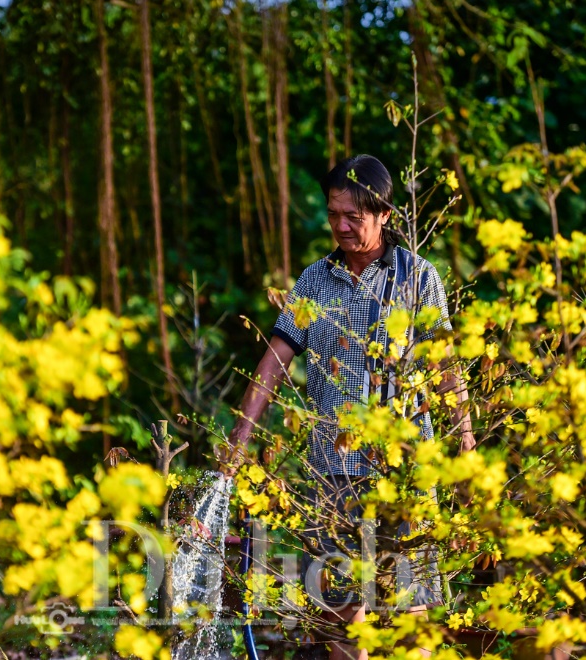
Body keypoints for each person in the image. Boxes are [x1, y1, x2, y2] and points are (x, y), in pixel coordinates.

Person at [224, 154, 475, 660]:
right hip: (333, 474)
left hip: (405, 473)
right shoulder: (315, 280)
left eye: (352, 217)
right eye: (333, 213)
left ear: (383, 214)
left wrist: (466, 447)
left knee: (411, 612)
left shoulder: (417, 278)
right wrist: (240, 439)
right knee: (340, 614)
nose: (340, 225)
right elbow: (273, 363)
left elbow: (446, 370)